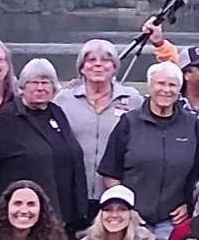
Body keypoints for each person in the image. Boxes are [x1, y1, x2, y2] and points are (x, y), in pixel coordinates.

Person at [0, 58, 87, 230]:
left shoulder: (57, 112)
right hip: (25, 212)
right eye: (34, 83)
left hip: (64, 212)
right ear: (22, 86)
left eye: (46, 83)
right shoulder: (5, 120)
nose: (40, 88)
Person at [99, 61, 199, 239]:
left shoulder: (192, 125)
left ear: (179, 90)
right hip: (134, 220)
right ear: (150, 86)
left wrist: (189, 204)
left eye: (172, 85)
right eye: (160, 83)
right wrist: (127, 208)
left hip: (173, 221)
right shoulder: (129, 123)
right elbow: (110, 174)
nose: (166, 90)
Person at [54, 38, 144, 227]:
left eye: (105, 60)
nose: (98, 65)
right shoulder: (64, 100)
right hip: (72, 194)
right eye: (91, 60)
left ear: (114, 67)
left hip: (116, 196)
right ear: (82, 68)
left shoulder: (133, 99)